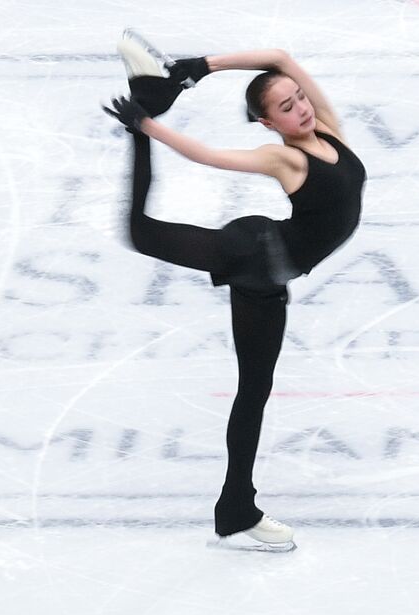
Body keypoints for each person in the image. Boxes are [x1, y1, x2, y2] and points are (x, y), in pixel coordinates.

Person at [103, 31, 367, 552]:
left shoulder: (329, 131)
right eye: (286, 109)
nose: (301, 109)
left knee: (254, 390)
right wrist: (146, 126)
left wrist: (200, 65)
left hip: (267, 259)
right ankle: (236, 514)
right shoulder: (285, 158)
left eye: (300, 98)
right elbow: (204, 155)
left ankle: (235, 512)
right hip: (255, 261)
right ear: (270, 124)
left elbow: (279, 57)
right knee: (251, 391)